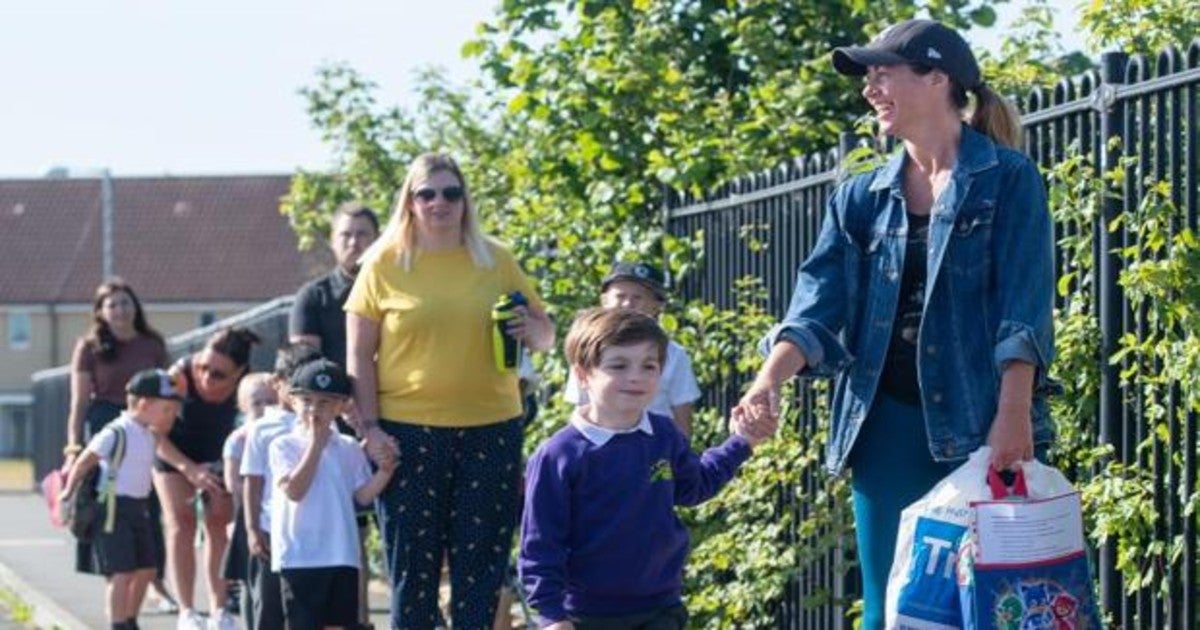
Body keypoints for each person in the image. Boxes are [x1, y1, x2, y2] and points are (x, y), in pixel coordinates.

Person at [737, 19, 1056, 629]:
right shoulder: (859, 197)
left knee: (989, 608)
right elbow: (816, 305)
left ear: (937, 78)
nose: (869, 88)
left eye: (883, 72)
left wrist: (1013, 415)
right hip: (882, 428)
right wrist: (766, 380)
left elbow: (1025, 308)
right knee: (893, 609)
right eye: (868, 76)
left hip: (982, 424)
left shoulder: (1008, 180)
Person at [345, 152, 555, 628]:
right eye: (427, 194)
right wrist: (370, 428)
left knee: (480, 570)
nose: (440, 203)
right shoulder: (383, 261)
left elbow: (545, 336)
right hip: (408, 433)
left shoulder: (495, 257)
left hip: (491, 428)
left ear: (465, 199)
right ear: (410, 201)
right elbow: (358, 356)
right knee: (412, 572)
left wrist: (530, 328)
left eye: (451, 193)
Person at [520, 308, 774, 628]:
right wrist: (552, 616)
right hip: (586, 615)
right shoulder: (558, 455)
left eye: (649, 365)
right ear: (583, 374)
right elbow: (541, 546)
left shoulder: (664, 435)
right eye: (619, 365)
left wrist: (743, 441)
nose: (636, 376)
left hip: (661, 607)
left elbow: (695, 486)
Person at [288, 201, 380, 627]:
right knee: (350, 530)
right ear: (333, 240)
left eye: (363, 233)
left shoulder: (389, 286)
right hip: (333, 427)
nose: (355, 241)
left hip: (390, 419)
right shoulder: (315, 296)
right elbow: (304, 367)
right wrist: (343, 414)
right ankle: (355, 619)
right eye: (346, 234)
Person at [61, 279, 179, 612]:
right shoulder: (89, 346)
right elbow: (79, 400)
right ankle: (116, 579)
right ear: (100, 312)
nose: (120, 310)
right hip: (108, 425)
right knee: (109, 505)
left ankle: (155, 583)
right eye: (112, 304)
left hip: (147, 425)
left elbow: (167, 390)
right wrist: (73, 448)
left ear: (135, 307)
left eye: (126, 303)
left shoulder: (151, 343)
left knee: (149, 506)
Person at [268, 359, 396, 630]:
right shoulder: (283, 445)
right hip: (299, 555)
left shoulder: (348, 447)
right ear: (292, 401)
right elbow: (294, 490)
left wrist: (384, 472)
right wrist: (315, 444)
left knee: (340, 625)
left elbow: (361, 496)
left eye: (325, 402)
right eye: (307, 400)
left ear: (341, 407)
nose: (315, 409)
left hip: (341, 552)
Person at [60, 369, 184, 630]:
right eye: (166, 409)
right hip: (113, 507)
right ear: (144, 404)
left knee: (148, 569)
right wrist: (68, 490)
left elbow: (164, 458)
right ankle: (118, 623)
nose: (171, 415)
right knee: (121, 572)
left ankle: (130, 618)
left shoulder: (149, 434)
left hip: (139, 508)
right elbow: (85, 461)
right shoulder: (117, 432)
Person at [154, 328, 260, 630]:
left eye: (218, 374)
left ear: (239, 373)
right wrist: (189, 469)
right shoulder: (178, 377)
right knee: (180, 522)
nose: (206, 378)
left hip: (220, 453)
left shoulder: (249, 388)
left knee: (218, 524)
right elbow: (155, 433)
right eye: (202, 366)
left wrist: (224, 469)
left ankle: (219, 608)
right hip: (174, 451)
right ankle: (187, 611)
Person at [562, 261, 701, 436]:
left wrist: (681, 459)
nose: (628, 304)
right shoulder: (588, 349)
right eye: (620, 296)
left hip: (654, 448)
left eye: (638, 297)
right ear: (604, 300)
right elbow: (580, 409)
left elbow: (682, 414)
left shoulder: (674, 354)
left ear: (657, 305)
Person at [239, 343, 322, 630]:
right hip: (272, 532)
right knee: (270, 610)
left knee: (307, 613)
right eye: (295, 381)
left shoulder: (324, 423)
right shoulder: (263, 428)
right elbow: (252, 480)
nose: (303, 390)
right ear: (277, 382)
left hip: (312, 536)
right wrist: (251, 529)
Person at [220, 373, 276, 624]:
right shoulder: (238, 439)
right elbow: (233, 482)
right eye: (257, 402)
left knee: (269, 579)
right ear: (242, 406)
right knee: (247, 578)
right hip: (247, 515)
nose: (264, 408)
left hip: (274, 514)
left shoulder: (278, 433)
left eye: (270, 401)